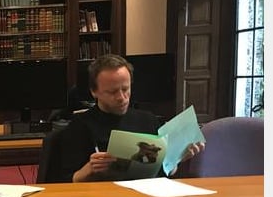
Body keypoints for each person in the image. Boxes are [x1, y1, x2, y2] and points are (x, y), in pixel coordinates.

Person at [56, 54, 205, 182]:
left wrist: (175, 159)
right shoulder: (80, 126)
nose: (121, 97)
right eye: (112, 92)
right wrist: (88, 169)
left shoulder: (148, 120)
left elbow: (162, 173)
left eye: (125, 89)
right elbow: (64, 181)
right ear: (94, 92)